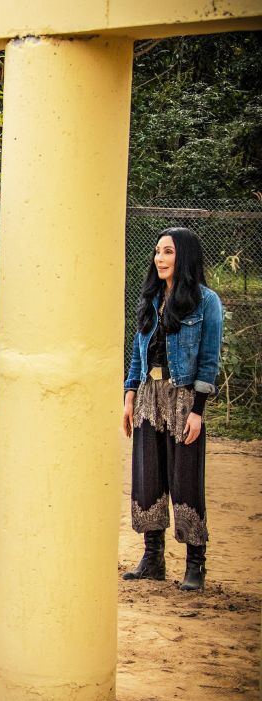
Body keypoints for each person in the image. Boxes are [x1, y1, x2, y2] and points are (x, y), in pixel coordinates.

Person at [121, 226, 223, 591]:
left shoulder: (206, 301)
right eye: (157, 252)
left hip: (183, 399)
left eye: (168, 252)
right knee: (148, 477)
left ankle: (196, 563)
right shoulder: (150, 299)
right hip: (149, 394)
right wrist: (130, 393)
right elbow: (138, 351)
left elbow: (209, 359)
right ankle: (153, 558)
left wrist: (198, 409)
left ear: (185, 256)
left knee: (185, 479)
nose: (159, 259)